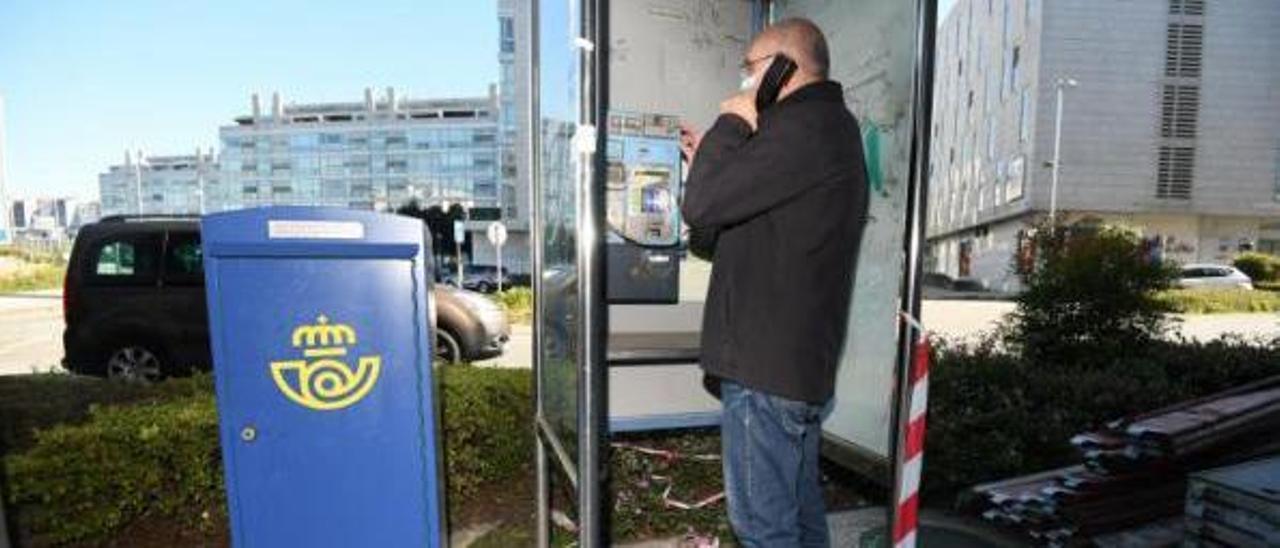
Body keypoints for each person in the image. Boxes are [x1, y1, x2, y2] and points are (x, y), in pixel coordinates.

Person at [679, 17, 869, 548]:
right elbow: (720, 233)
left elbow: (700, 206)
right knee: (801, 519)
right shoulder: (828, 130)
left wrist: (733, 124)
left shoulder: (799, 128)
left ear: (783, 69)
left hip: (765, 374)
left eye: (750, 70)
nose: (743, 82)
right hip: (792, 371)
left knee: (763, 529)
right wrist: (711, 164)